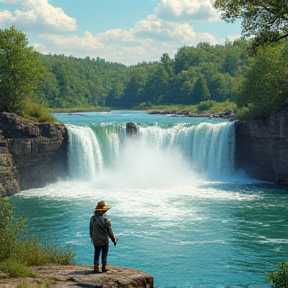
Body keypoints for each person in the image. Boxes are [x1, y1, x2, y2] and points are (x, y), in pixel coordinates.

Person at [89, 201, 118, 273]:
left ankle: (96, 267)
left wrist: (92, 238)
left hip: (96, 239)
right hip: (104, 240)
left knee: (96, 252)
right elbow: (110, 232)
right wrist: (114, 240)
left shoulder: (93, 218)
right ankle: (104, 267)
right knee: (104, 253)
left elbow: (91, 229)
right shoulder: (106, 219)